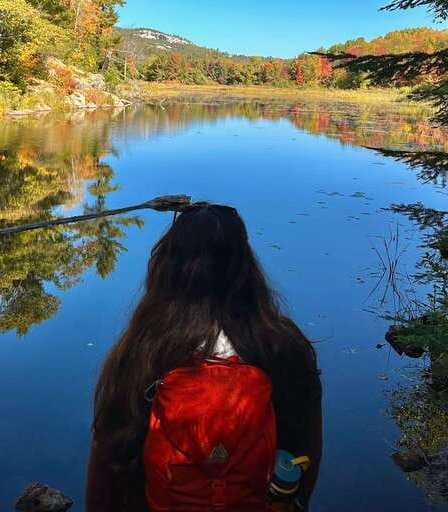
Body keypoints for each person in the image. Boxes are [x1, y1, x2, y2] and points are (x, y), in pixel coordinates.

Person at [86, 203, 322, 511]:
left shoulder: (143, 350)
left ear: (167, 270)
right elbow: (307, 453)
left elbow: (106, 472)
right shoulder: (283, 346)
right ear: (246, 269)